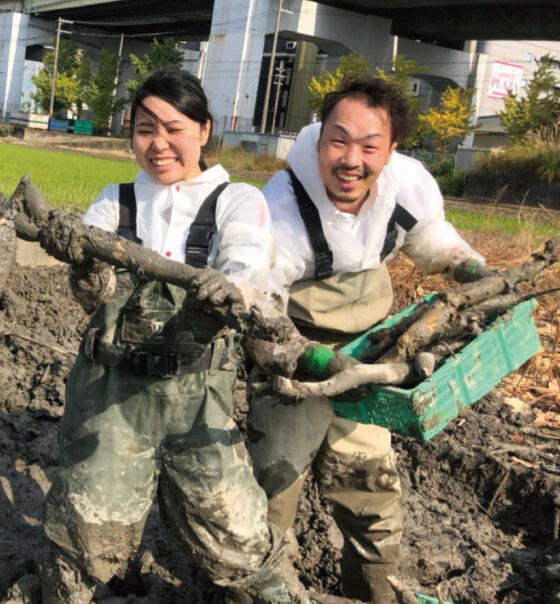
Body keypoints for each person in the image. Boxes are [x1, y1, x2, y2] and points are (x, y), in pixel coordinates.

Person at [40, 70, 307, 603]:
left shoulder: (236, 200)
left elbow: (247, 266)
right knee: (86, 536)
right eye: (144, 129)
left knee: (239, 540)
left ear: (204, 130)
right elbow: (96, 293)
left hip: (200, 402)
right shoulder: (114, 201)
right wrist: (87, 268)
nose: (158, 144)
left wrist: (226, 292)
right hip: (111, 396)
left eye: (173, 127)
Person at [249, 77, 489, 603]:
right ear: (318, 141)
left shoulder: (408, 187)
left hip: (368, 358)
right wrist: (303, 357)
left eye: (368, 145)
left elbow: (431, 240)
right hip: (292, 364)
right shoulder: (284, 204)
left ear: (391, 149)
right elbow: (259, 298)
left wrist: (471, 269)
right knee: (269, 499)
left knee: (373, 497)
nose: (350, 159)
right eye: (338, 141)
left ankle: (375, 594)